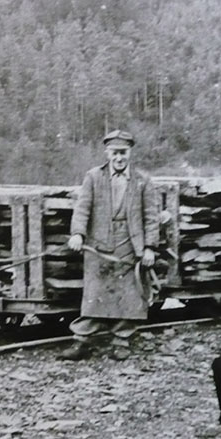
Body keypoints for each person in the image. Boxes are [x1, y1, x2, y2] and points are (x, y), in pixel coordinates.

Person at [59, 129, 159, 361]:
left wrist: (149, 248)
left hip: (130, 242)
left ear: (130, 153)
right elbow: (83, 208)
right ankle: (82, 343)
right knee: (95, 293)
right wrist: (77, 234)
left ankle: (121, 341)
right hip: (98, 243)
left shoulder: (143, 181)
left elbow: (151, 216)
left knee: (128, 293)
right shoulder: (93, 177)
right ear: (107, 153)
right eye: (114, 153)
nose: (119, 158)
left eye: (123, 152)